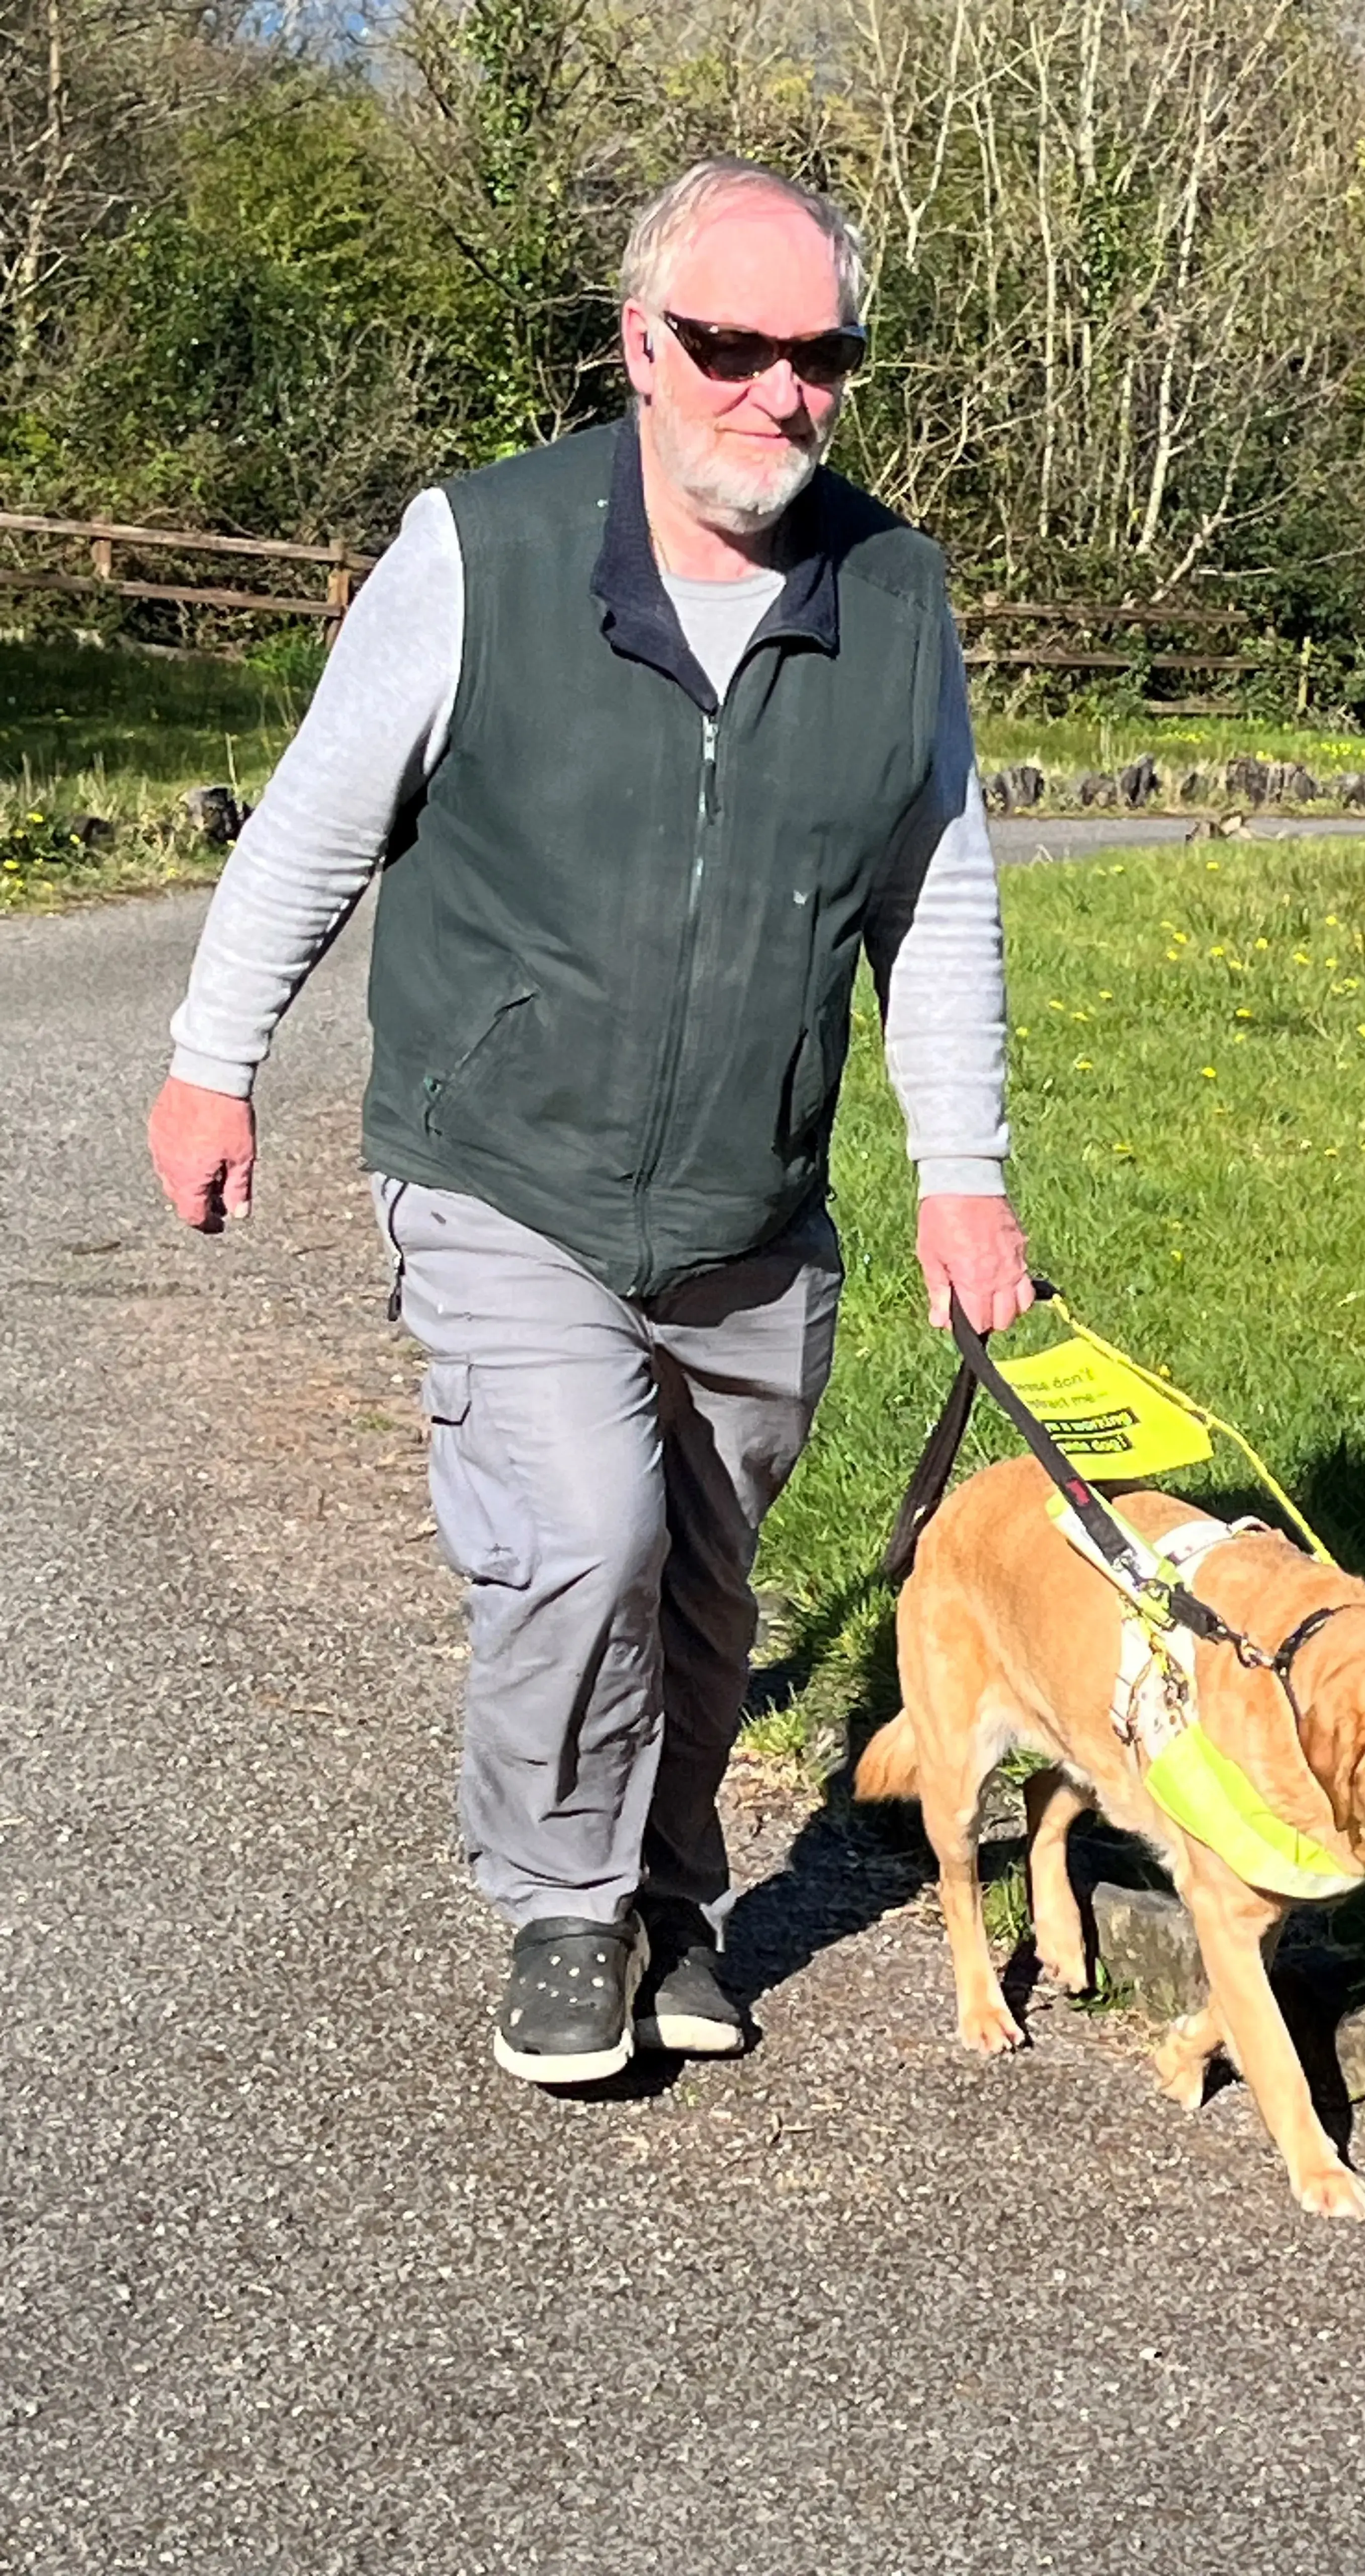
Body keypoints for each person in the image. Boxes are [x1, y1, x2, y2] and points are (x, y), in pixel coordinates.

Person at [148, 157, 1031, 2085]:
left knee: (707, 1585)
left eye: (823, 357)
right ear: (641, 345)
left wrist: (963, 1174)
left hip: (749, 1201)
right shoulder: (485, 548)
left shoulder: (893, 599)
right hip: (505, 1167)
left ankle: (674, 1892)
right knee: (583, 1535)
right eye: (727, 346)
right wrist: (216, 1055)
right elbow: (316, 818)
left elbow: (936, 894)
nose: (775, 393)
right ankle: (560, 1904)